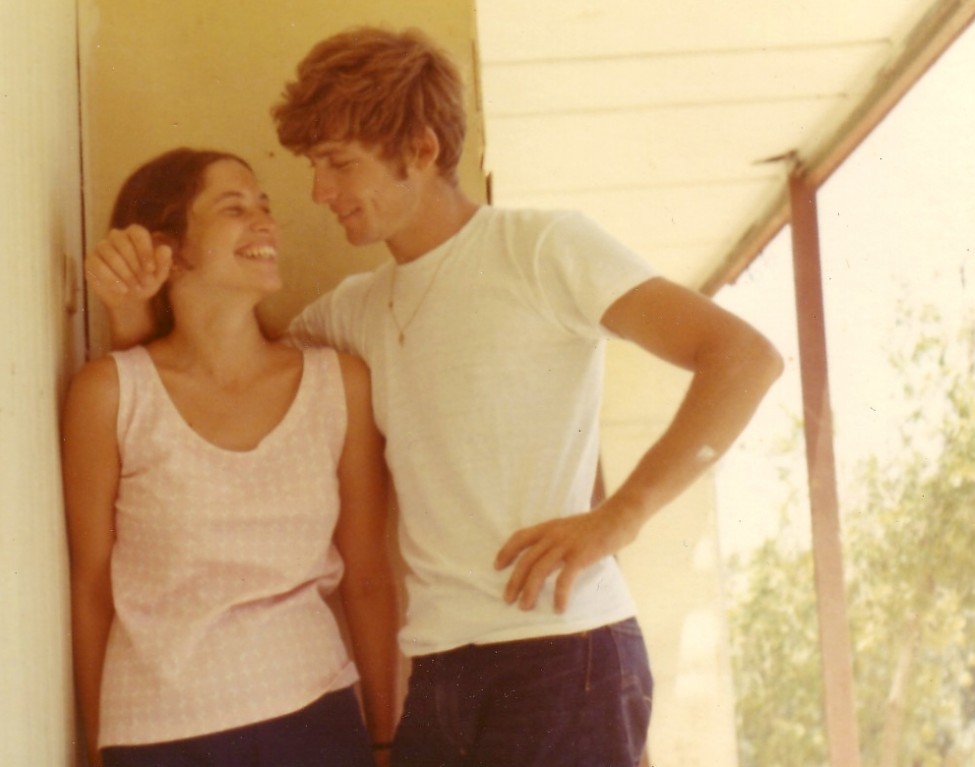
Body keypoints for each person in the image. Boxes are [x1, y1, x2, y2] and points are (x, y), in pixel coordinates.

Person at [84, 28, 784, 767]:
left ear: (419, 150)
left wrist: (619, 517)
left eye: (338, 164)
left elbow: (743, 357)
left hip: (562, 651)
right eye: (315, 165)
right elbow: (217, 360)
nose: (319, 192)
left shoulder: (541, 248)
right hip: (440, 670)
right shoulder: (351, 310)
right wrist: (132, 312)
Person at [64, 148, 398, 767]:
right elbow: (91, 587)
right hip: (155, 733)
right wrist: (94, 745)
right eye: (235, 209)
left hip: (312, 715)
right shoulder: (109, 394)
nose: (266, 223)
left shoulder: (339, 384)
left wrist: (383, 741)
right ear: (168, 246)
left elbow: (370, 577)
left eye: (265, 208)